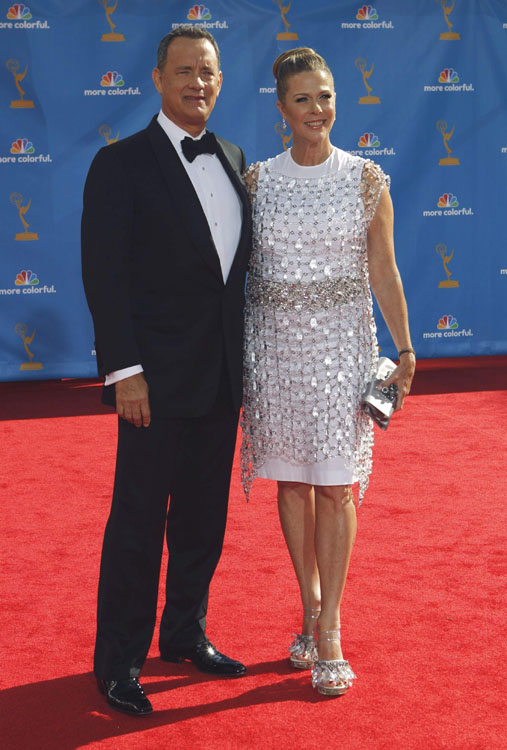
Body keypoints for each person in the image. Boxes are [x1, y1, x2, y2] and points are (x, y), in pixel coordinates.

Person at [81, 26, 251, 716]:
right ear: (156, 79)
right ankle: (117, 660)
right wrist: (125, 370)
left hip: (220, 377)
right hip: (152, 381)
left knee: (203, 520)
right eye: (183, 71)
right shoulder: (119, 163)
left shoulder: (235, 156)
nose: (196, 83)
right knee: (138, 522)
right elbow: (104, 275)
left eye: (206, 72)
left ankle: (183, 634)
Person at [241, 48, 415, 697]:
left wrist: (404, 350)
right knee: (291, 484)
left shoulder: (366, 178)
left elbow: (384, 270)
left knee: (336, 487)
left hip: (343, 347)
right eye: (303, 99)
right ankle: (308, 609)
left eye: (326, 96)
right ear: (281, 109)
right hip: (276, 350)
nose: (318, 109)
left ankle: (332, 628)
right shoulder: (257, 182)